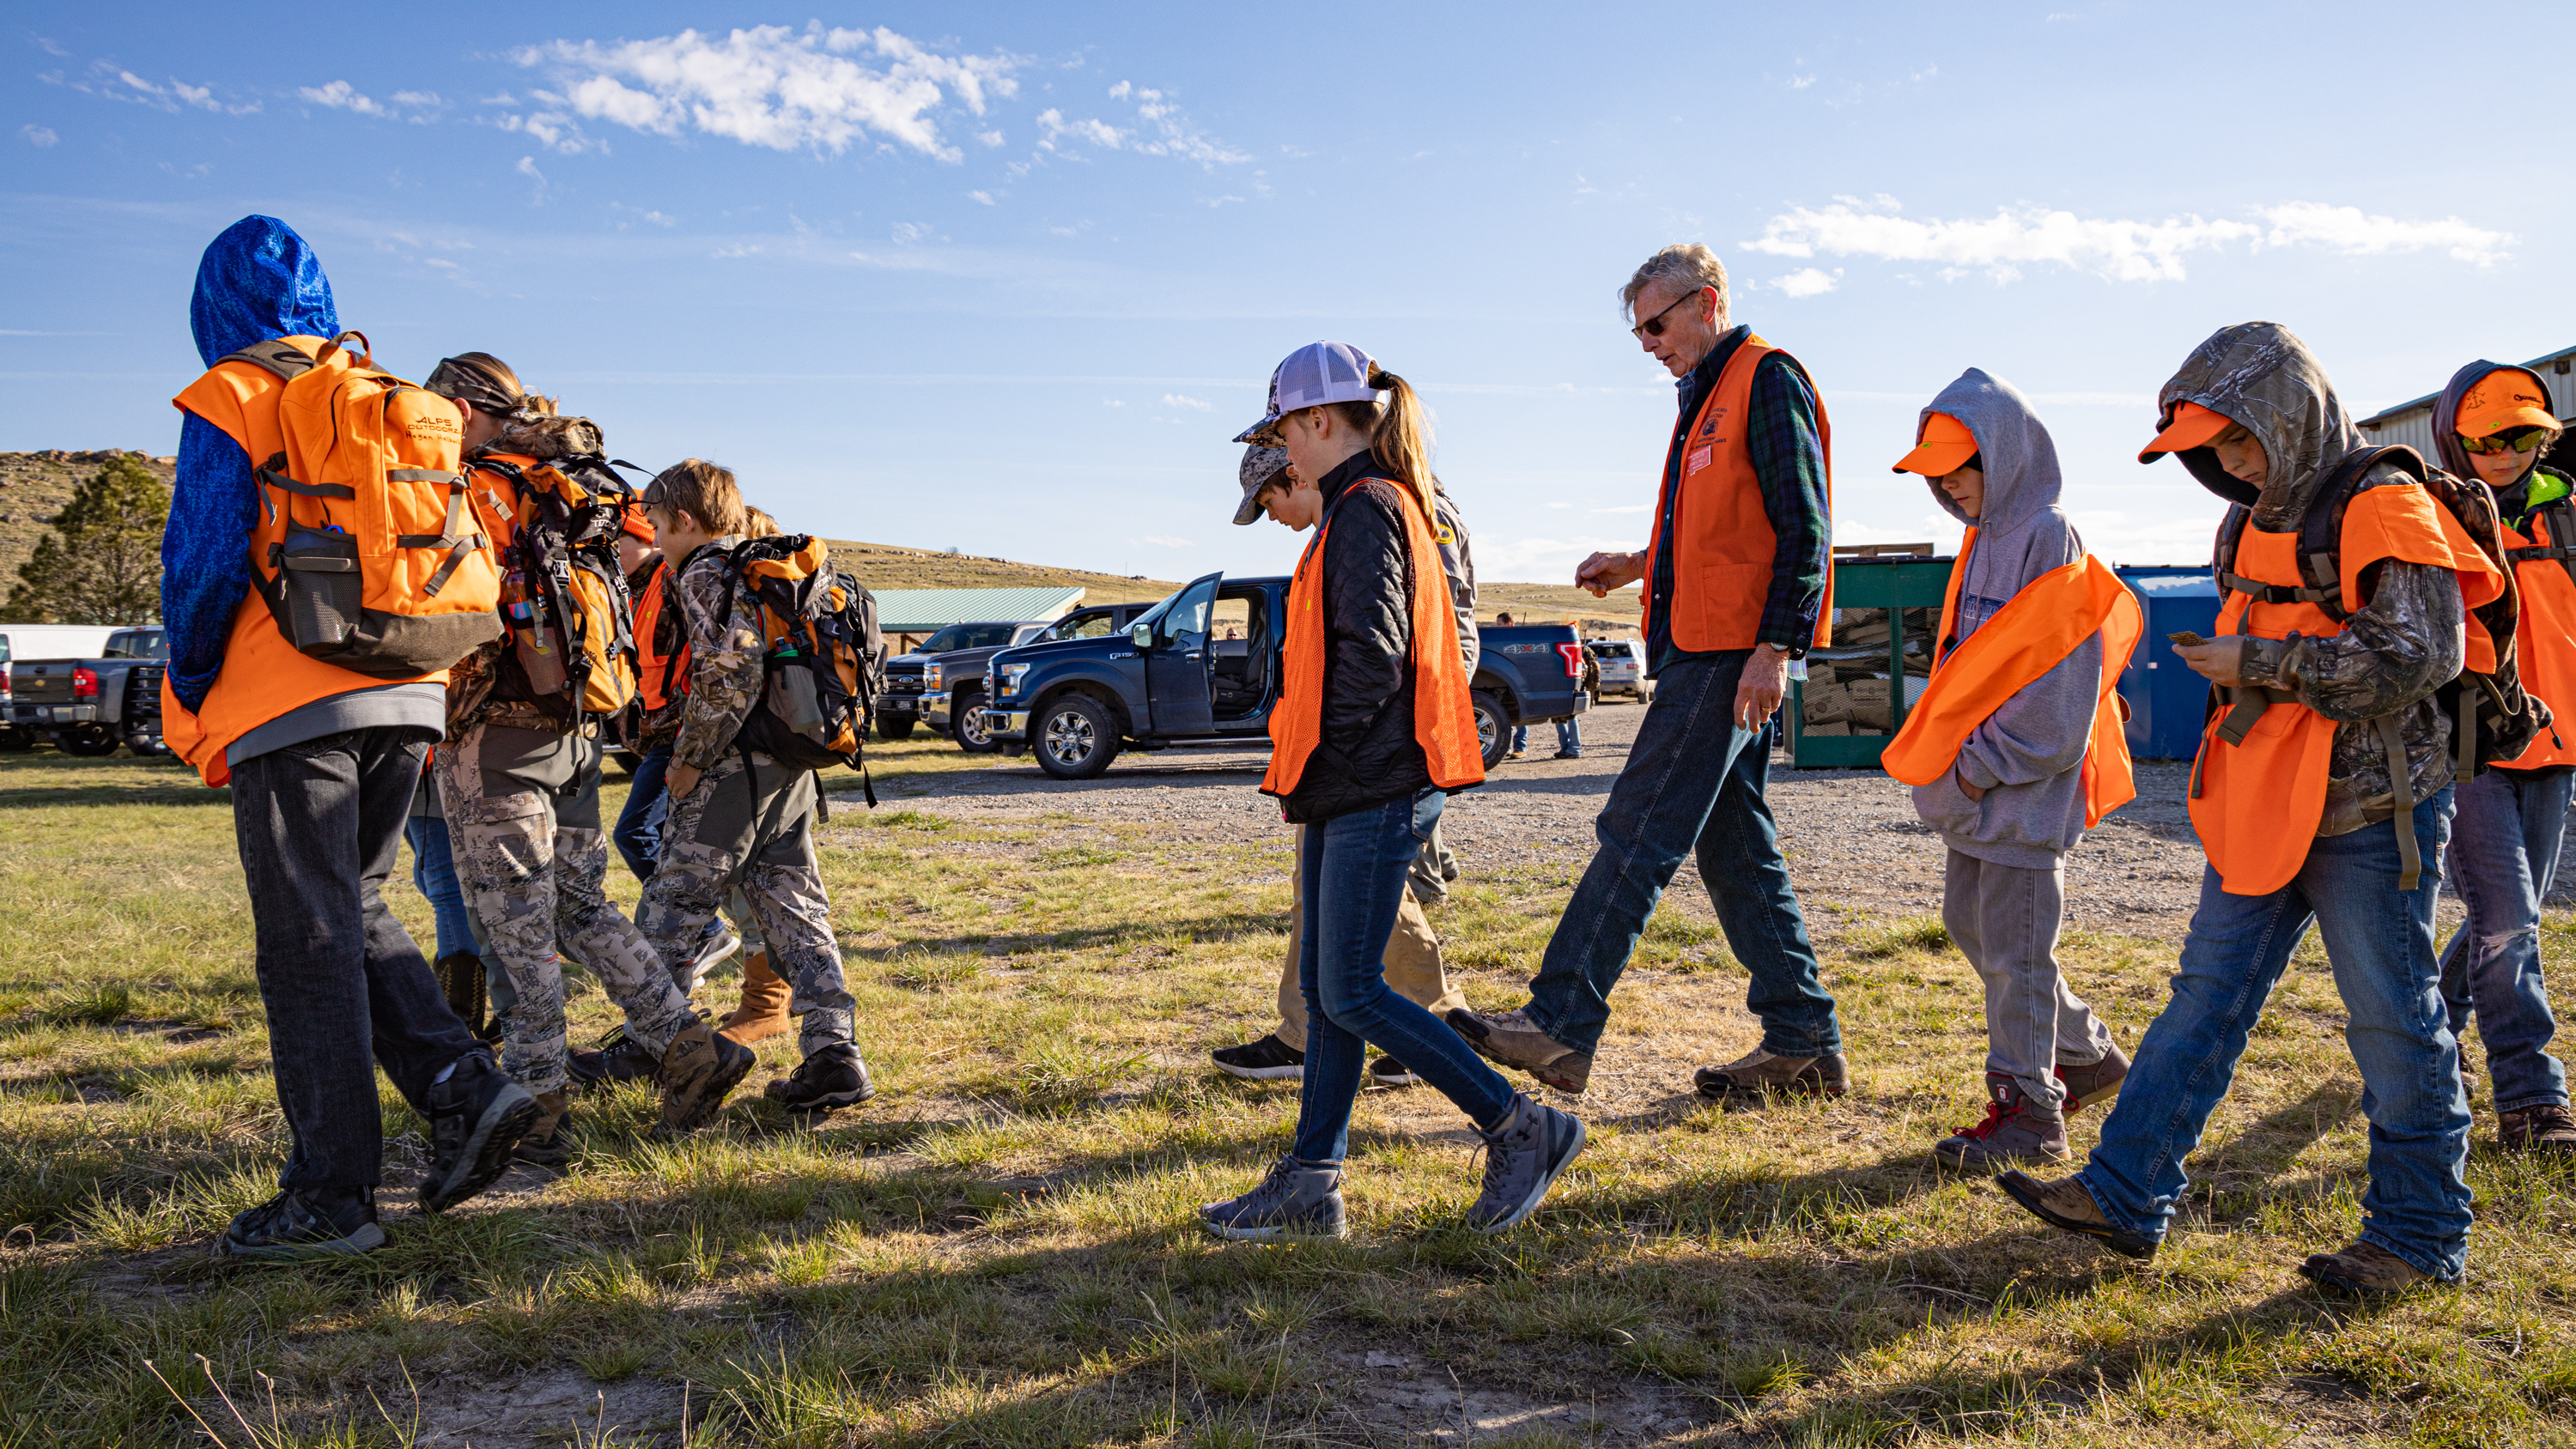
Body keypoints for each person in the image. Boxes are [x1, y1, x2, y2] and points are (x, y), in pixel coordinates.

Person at [1998, 322, 2506, 1294]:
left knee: (2393, 1022)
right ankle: (2124, 1191)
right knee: (2205, 996)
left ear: (2288, 413)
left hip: (2372, 811)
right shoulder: (2246, 522)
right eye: (2212, 450)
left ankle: (2419, 1237)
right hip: (2265, 802)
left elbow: (2421, 656)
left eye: (2239, 439)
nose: (2229, 464)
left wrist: (2258, 662)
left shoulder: (2385, 499)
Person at [162, 216, 534, 1258]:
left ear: (213, 306)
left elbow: (203, 562)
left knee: (306, 940)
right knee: (351, 904)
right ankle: (466, 1086)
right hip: (412, 681)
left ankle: (330, 1196)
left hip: (293, 693)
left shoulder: (234, 393)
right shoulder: (384, 394)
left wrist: (191, 681)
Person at [1200, 343, 1583, 1240]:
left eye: (1285, 429)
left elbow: (1371, 660)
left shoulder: (1368, 507)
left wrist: (1324, 755)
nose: (1283, 448)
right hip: (1354, 784)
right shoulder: (1359, 504)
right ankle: (1311, 1181)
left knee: (1353, 992)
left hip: (1373, 783)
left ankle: (1520, 1127)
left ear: (1320, 420)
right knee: (1334, 992)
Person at [1447, 244, 1843, 1102]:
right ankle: (1804, 1040)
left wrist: (1774, 649)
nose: (1649, 345)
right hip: (1709, 648)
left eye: (1656, 326)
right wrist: (1639, 563)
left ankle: (1561, 1020)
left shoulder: (1766, 379)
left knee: (1638, 827)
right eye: (1639, 333)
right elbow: (1724, 532)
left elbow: (1804, 528)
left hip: (1728, 656)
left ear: (1707, 303)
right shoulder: (1707, 396)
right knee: (1735, 846)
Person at [430, 354, 750, 1158]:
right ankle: (689, 1048)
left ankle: (538, 1104)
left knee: (513, 922)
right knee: (578, 904)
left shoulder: (473, 486)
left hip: (493, 734)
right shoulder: (572, 485)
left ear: (464, 411)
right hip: (577, 729)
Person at [1876, 372, 2141, 1169]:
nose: (1949, 484)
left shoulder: (2047, 536)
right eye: (1937, 472)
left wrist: (1978, 770)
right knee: (1974, 927)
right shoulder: (1983, 536)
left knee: (2016, 954)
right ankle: (2086, 1056)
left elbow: (2058, 699)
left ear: (2005, 453)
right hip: (1977, 793)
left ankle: (2031, 1114)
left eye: (1961, 466)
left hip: (2019, 795)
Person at [1212, 445, 1469, 1089]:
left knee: (1354, 902)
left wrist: (1331, 754)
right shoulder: (1347, 519)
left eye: (1268, 501)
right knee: (1330, 890)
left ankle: (1449, 1044)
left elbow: (1402, 644)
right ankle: (1321, 1035)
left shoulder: (1376, 509)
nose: (1272, 517)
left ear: (1296, 469)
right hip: (1361, 752)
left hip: (1379, 753)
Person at [634, 460, 875, 1114]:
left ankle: (662, 1048)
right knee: (796, 911)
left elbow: (731, 670)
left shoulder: (706, 571)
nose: (654, 539)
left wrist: (690, 759)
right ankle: (834, 1054)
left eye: (658, 525)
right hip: (788, 764)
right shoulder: (765, 567)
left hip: (732, 769)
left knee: (669, 910)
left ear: (686, 521)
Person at [2429, 361, 2576, 1153]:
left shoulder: (2569, 515)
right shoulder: (2432, 516)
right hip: (2471, 749)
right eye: (2487, 438)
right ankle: (2532, 1097)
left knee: (2507, 920)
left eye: (2522, 435)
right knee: (2511, 922)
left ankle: (2436, 1024)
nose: (2505, 451)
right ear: (2455, 438)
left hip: (2559, 745)